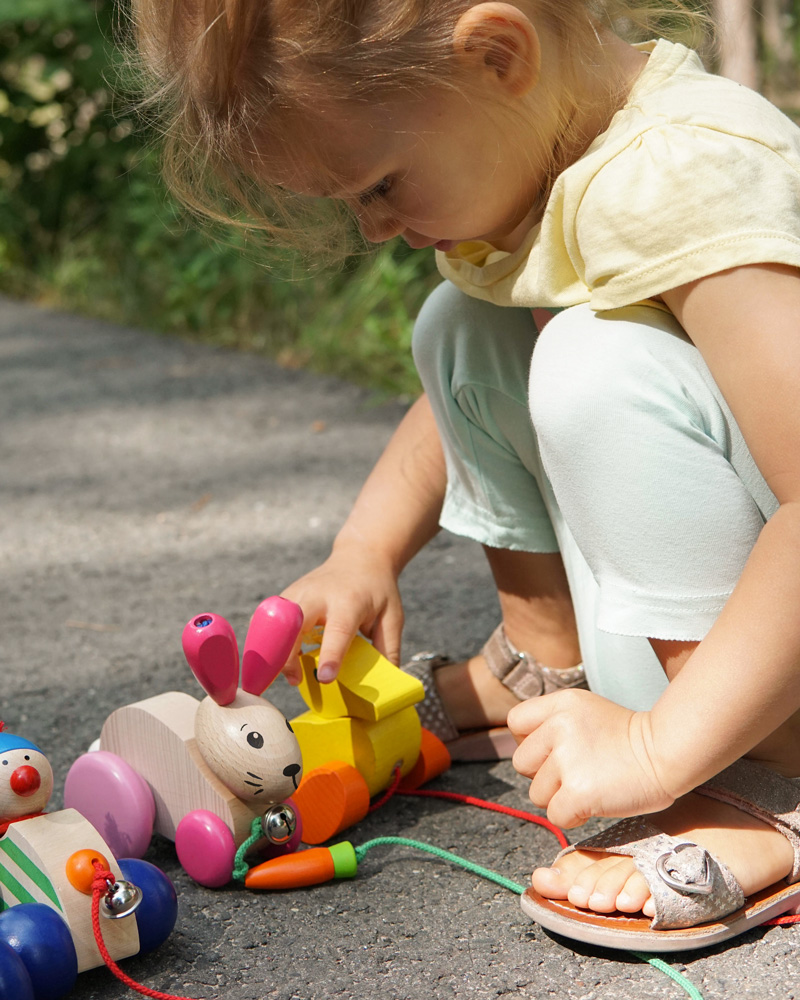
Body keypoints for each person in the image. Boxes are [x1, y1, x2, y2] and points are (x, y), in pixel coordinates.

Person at [133, 0, 800, 948]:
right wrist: (365, 549)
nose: (372, 230)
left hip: (766, 675)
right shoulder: (551, 168)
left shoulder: (687, 175)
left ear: (496, 54)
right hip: (717, 645)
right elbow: (451, 401)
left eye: (380, 185)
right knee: (463, 320)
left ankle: (765, 776)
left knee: (587, 359)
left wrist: (659, 751)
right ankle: (545, 662)